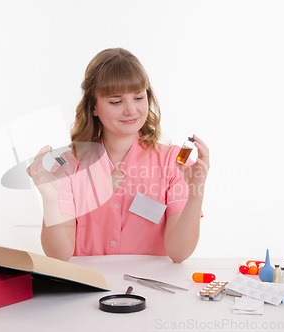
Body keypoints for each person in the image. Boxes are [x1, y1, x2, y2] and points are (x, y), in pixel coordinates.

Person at [27, 48, 209, 263]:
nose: (131, 110)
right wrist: (50, 199)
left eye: (139, 97)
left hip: (151, 290)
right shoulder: (69, 164)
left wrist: (196, 194)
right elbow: (58, 255)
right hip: (88, 287)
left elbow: (178, 253)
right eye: (116, 102)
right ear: (93, 106)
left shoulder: (174, 163)